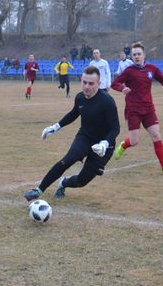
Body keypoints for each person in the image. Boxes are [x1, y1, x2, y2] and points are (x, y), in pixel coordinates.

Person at [24, 66, 120, 201]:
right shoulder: (80, 98)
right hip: (84, 138)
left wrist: (105, 143)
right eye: (84, 82)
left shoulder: (107, 102)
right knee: (66, 161)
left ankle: (63, 183)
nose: (86, 86)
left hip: (104, 146)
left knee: (82, 181)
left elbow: (115, 128)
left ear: (99, 84)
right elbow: (74, 113)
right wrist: (56, 127)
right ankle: (39, 189)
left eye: (91, 83)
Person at [111, 42, 163, 175]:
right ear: (132, 57)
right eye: (134, 55)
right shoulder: (129, 71)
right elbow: (114, 83)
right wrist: (122, 88)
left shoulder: (152, 69)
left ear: (144, 55)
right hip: (133, 110)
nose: (136, 56)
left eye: (139, 54)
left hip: (149, 109)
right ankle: (123, 145)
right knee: (134, 141)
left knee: (156, 135)